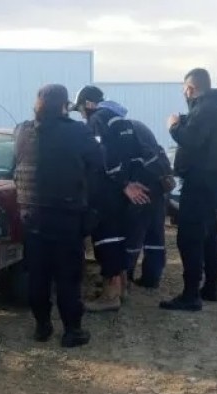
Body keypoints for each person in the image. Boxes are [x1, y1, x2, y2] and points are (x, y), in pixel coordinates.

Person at [14, 84, 102, 348]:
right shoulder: (78, 131)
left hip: (31, 216)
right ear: (64, 105)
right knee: (68, 276)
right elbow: (98, 165)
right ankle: (72, 331)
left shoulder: (22, 131)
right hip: (66, 217)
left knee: (38, 275)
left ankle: (42, 327)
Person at [72, 85, 150, 313]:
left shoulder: (98, 119)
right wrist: (130, 181)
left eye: (80, 109)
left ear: (88, 104)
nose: (82, 115)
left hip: (107, 193)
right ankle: (122, 288)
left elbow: (102, 155)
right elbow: (134, 155)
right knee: (118, 240)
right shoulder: (121, 120)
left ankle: (110, 295)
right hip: (124, 193)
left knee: (106, 242)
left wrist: (123, 182)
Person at [160, 68, 217, 312]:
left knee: (189, 238)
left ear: (190, 88)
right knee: (210, 235)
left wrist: (173, 127)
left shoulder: (205, 110)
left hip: (199, 183)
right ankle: (211, 287)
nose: (185, 95)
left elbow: (191, 140)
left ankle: (190, 295)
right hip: (213, 182)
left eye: (185, 91)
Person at [125, 119, 170, 290]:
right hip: (158, 189)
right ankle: (152, 277)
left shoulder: (124, 134)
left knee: (133, 235)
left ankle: (125, 276)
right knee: (155, 234)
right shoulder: (143, 130)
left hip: (140, 189)